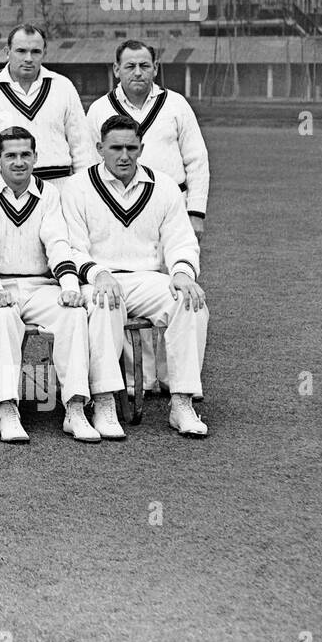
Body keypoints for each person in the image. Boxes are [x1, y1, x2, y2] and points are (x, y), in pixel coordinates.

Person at [60, 115, 210, 438]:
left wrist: (182, 272)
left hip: (146, 278)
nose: (124, 155)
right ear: (100, 148)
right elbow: (72, 247)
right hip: (97, 280)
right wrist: (98, 274)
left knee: (190, 300)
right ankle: (103, 403)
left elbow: (181, 240)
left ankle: (182, 402)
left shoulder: (164, 186)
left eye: (131, 147)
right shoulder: (77, 187)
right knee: (105, 301)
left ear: (142, 147)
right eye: (116, 148)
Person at [85, 39, 211, 396]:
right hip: (117, 211)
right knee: (121, 289)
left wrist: (196, 213)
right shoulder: (99, 109)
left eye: (144, 65)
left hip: (171, 210)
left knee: (178, 289)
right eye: (130, 66)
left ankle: (174, 380)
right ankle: (137, 378)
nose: (137, 72)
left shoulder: (175, 105)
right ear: (116, 70)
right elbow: (88, 162)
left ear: (155, 68)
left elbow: (197, 161)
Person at [0, 126, 99, 444]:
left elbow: (57, 242)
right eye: (10, 155)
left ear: (36, 157)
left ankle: (75, 407)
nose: (19, 162)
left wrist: (69, 285)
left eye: (25, 154)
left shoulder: (49, 193)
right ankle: (8, 407)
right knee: (2, 318)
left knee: (74, 315)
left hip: (40, 286)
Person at [0, 24, 93, 185]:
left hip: (57, 187)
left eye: (35, 52)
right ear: (7, 52)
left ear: (44, 53)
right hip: (2, 190)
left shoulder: (63, 87)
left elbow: (82, 147)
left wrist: (84, 190)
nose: (28, 58)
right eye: (21, 51)